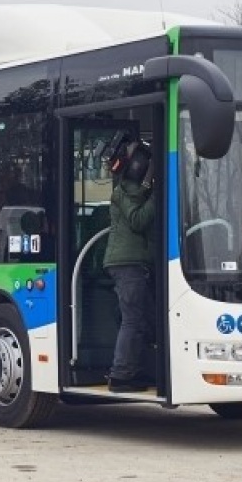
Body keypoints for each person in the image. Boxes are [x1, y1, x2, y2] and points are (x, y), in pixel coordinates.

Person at [100, 136, 157, 393]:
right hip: (126, 263)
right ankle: (121, 375)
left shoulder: (135, 191)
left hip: (134, 262)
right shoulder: (121, 192)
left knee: (141, 319)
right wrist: (158, 195)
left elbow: (142, 196)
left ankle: (133, 369)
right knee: (133, 319)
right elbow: (137, 220)